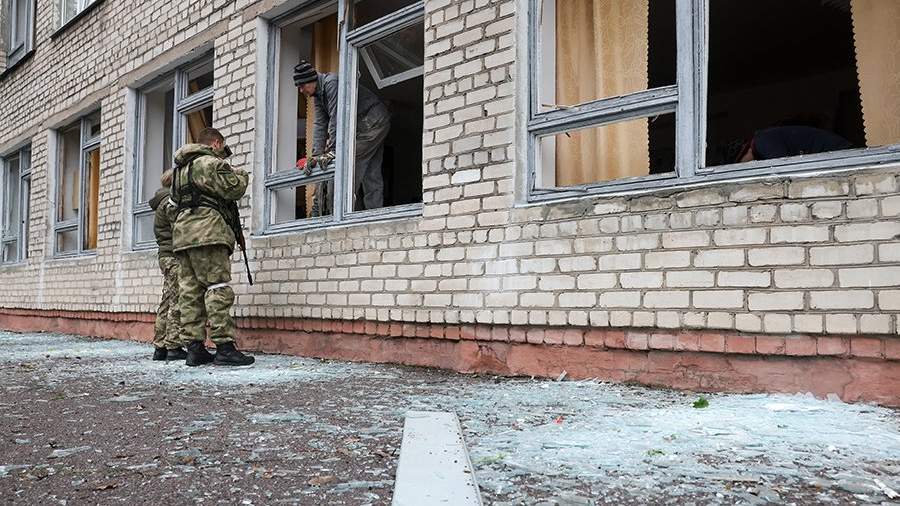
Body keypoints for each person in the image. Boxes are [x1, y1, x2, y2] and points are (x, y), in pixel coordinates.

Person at [170, 127, 254, 367]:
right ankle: (224, 347)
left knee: (190, 292)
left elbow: (172, 206)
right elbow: (234, 188)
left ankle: (194, 349)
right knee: (217, 287)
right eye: (222, 148)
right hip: (208, 235)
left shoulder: (179, 171)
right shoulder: (210, 163)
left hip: (183, 238)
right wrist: (241, 174)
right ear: (216, 143)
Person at [293, 60, 391, 211]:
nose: (301, 90)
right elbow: (320, 125)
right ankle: (374, 213)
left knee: (348, 165)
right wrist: (316, 156)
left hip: (372, 121)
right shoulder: (318, 95)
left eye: (301, 86)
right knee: (371, 171)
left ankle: (344, 214)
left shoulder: (332, 83)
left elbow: (337, 118)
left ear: (311, 80)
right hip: (368, 124)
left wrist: (333, 150)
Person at [148, 169, 187, 362]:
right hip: (173, 256)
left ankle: (160, 347)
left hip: (165, 256)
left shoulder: (161, 202)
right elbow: (181, 229)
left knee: (166, 301)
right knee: (176, 300)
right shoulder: (169, 203)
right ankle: (174, 346)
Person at [734, 125, 853, 163]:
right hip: (835, 152)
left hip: (840, 152)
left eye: (741, 162)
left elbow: (783, 165)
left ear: (746, 150)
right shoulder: (764, 140)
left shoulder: (762, 142)